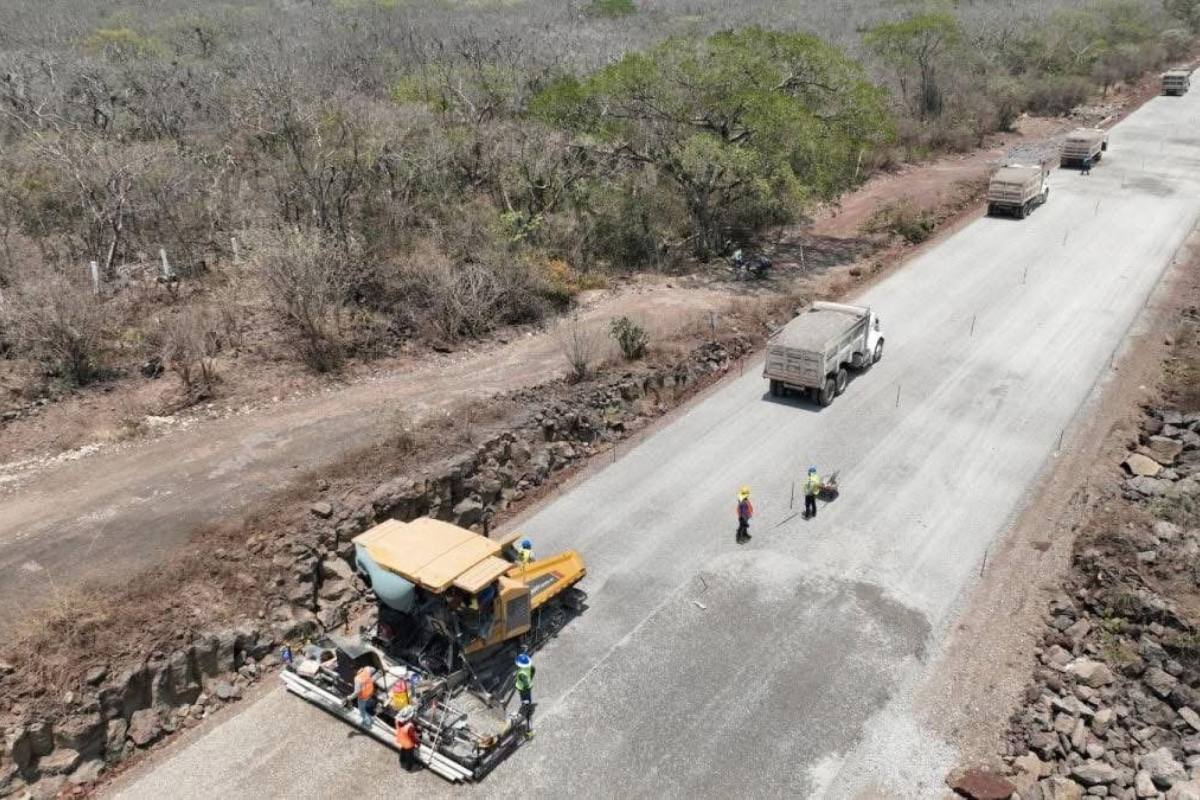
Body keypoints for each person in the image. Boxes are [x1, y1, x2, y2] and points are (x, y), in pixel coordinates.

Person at [514, 653, 536, 738]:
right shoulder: (528, 668)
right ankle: (527, 706)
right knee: (528, 699)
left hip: (523, 689)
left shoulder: (521, 672)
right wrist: (530, 678)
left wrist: (527, 684)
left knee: (525, 700)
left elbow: (525, 683)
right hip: (527, 688)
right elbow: (533, 669)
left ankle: (529, 731)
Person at [394, 707, 420, 772]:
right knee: (410, 755)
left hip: (400, 739)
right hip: (408, 744)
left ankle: (402, 760)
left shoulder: (397, 720)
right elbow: (413, 737)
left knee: (403, 749)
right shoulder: (409, 726)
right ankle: (409, 767)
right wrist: (418, 743)